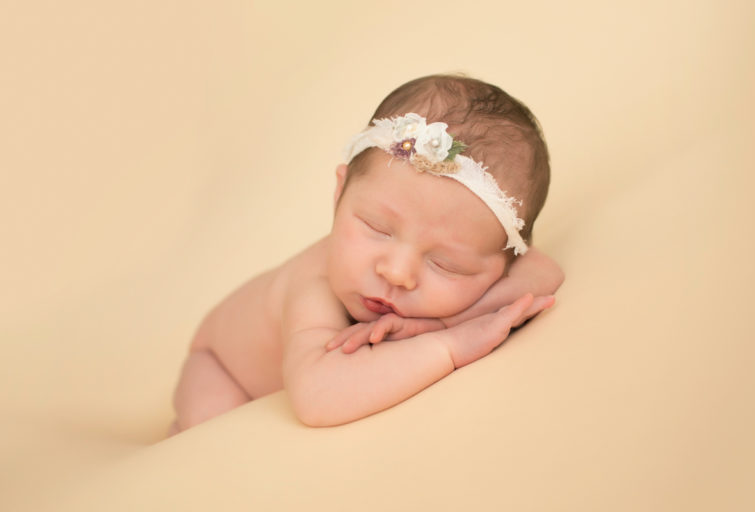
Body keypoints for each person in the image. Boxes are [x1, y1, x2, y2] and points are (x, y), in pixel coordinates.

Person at [169, 74, 564, 434]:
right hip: (222, 365)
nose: (396, 272)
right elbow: (317, 397)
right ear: (340, 192)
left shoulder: (492, 260)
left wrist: (442, 321)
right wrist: (451, 344)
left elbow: (542, 273)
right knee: (215, 431)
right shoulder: (317, 285)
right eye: (377, 229)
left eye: (446, 264)